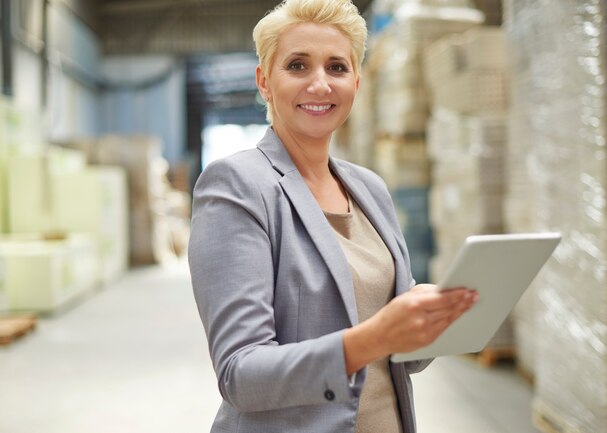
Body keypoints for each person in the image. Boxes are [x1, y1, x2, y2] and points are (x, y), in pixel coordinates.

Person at [188, 1, 479, 432]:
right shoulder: (237, 185)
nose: (320, 83)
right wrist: (373, 337)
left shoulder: (370, 190)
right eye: (298, 65)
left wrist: (435, 317)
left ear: (356, 83)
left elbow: (400, 357)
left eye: (337, 67)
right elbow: (240, 374)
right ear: (265, 82)